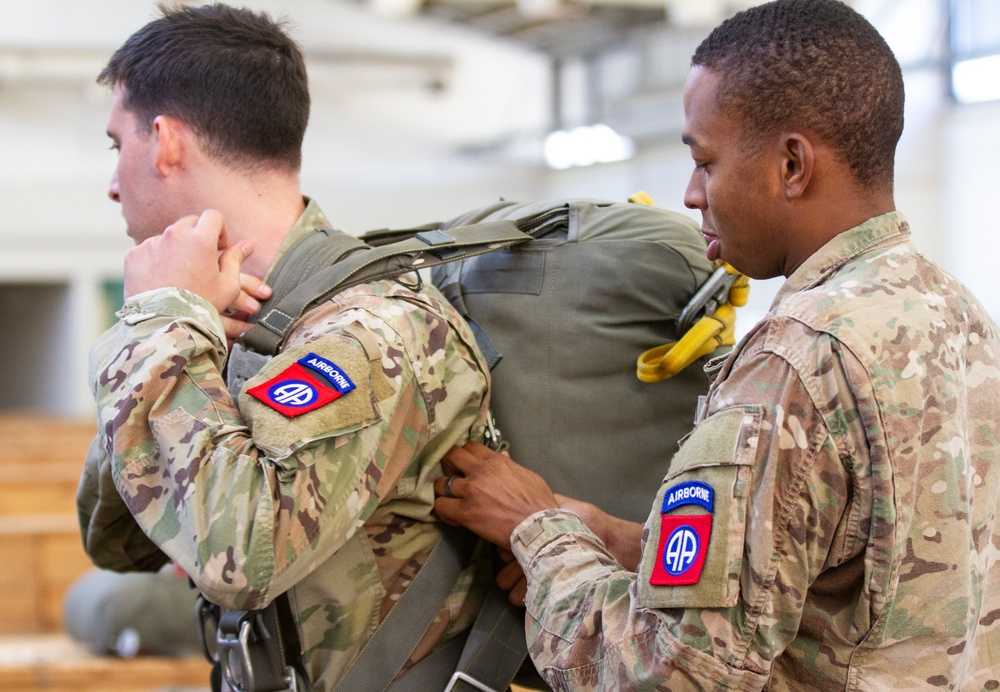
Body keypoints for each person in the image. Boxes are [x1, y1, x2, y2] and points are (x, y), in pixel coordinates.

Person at [433, 0, 1000, 688]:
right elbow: (849, 584)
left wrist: (536, 532)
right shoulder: (956, 316)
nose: (692, 192)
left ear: (792, 164)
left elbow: (670, 672)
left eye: (706, 161)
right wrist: (617, 541)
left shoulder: (796, 360)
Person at [75, 4, 491, 690]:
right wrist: (168, 332)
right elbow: (118, 541)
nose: (114, 181)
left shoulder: (368, 329)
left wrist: (156, 329)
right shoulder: (225, 326)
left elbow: (244, 556)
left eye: (116, 144)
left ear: (165, 141)